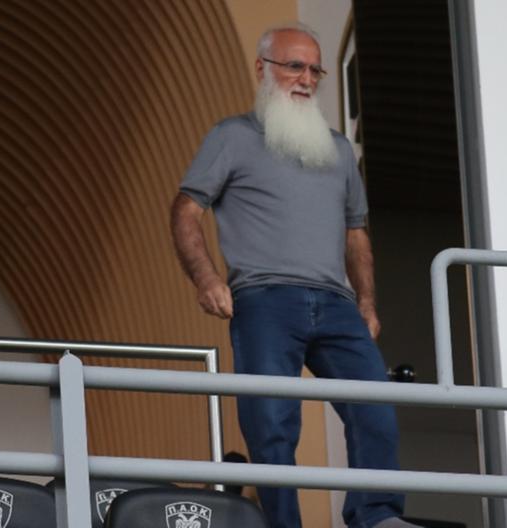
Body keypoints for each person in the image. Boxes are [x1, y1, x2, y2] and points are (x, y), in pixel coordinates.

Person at [171, 24, 420, 528]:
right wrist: (206, 278)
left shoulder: (338, 149)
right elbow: (186, 210)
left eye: (314, 70)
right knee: (271, 422)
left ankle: (376, 517)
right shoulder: (232, 136)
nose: (306, 78)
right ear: (262, 69)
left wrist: (367, 303)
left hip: (337, 304)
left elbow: (356, 234)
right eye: (294, 66)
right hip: (264, 299)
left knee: (376, 409)